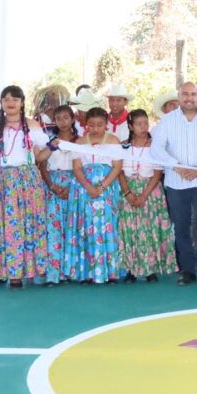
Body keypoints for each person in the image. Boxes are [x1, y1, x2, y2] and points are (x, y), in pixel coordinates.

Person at [150, 82, 197, 287]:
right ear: (179, 96)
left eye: (193, 94)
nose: (189, 98)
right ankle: (187, 270)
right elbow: (157, 149)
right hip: (176, 180)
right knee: (181, 226)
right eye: (185, 94)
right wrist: (176, 166)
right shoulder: (167, 120)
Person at [0, 86, 52, 288]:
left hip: (27, 181)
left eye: (15, 99)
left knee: (27, 224)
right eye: (6, 99)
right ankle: (7, 272)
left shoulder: (33, 125)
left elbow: (39, 157)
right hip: (1, 182)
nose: (10, 103)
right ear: (1, 104)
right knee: (6, 224)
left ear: (22, 102)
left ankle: (26, 269)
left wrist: (53, 147)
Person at [117, 109, 176, 283]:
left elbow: (157, 173)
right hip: (128, 188)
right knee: (129, 229)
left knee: (150, 229)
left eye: (145, 123)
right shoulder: (123, 145)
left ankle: (151, 268)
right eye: (139, 124)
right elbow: (118, 171)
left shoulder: (155, 145)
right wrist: (127, 193)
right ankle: (130, 269)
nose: (143, 127)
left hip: (150, 190)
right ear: (130, 126)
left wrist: (143, 195)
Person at [69, 107, 124, 285]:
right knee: (87, 227)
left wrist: (101, 186)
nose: (95, 129)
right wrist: (88, 186)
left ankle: (111, 272)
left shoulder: (114, 141)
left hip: (106, 191)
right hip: (85, 191)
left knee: (108, 228)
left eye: (100, 125)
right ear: (86, 125)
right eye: (91, 125)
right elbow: (77, 168)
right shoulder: (79, 142)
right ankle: (88, 272)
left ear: (106, 124)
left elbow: (117, 167)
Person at [38, 105, 79, 285]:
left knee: (74, 228)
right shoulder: (50, 141)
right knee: (53, 229)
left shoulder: (81, 142)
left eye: (66, 117)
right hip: (53, 186)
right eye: (58, 118)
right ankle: (54, 273)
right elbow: (41, 164)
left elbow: (83, 167)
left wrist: (72, 186)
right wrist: (52, 186)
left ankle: (73, 271)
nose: (62, 122)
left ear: (72, 119)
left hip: (75, 185)